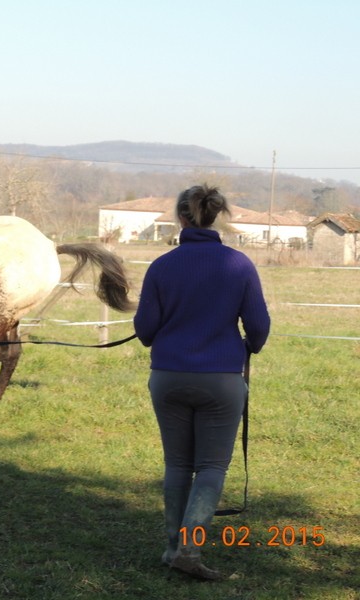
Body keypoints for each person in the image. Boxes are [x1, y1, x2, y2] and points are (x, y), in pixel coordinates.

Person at [133, 184, 271, 580]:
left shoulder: (161, 266)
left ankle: (171, 548)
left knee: (177, 465)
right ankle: (189, 552)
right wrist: (249, 346)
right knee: (210, 468)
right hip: (221, 379)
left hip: (168, 377)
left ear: (180, 218)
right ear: (216, 216)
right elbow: (258, 326)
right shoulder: (239, 264)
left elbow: (145, 331)